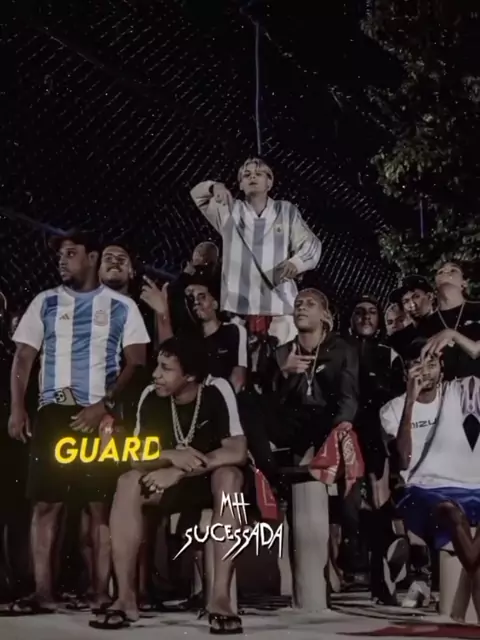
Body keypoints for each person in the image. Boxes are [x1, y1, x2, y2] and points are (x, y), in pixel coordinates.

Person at [5, 231, 150, 615]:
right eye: (61, 255)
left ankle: (100, 592)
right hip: (53, 412)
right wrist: (17, 408)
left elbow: (136, 362)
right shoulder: (45, 301)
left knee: (97, 505)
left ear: (92, 257)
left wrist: (104, 405)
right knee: (46, 503)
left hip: (100, 416)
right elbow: (23, 357)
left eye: (71, 253)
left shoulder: (122, 306)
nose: (62, 260)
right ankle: (43, 592)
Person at [90, 336, 247, 633]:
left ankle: (221, 599)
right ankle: (125, 598)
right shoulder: (151, 395)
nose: (156, 375)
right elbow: (135, 456)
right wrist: (169, 456)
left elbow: (236, 451)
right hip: (167, 484)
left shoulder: (216, 389)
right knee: (127, 481)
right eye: (157, 366)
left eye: (166, 369)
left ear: (190, 376)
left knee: (229, 476)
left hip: (209, 482)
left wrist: (179, 471)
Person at [381, 337, 480, 618]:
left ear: (442, 368)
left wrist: (455, 336)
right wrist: (410, 401)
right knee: (453, 514)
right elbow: (403, 459)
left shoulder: (459, 392)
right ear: (405, 372)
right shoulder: (391, 409)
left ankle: (462, 601)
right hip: (422, 490)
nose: (425, 370)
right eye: (417, 364)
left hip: (472, 487)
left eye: (431, 362)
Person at [190, 158, 322, 345]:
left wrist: (297, 263)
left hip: (280, 309)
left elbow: (312, 243)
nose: (252, 177)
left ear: (269, 182)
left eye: (259, 174)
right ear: (240, 184)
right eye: (247, 175)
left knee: (283, 359)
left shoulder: (286, 211)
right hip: (239, 310)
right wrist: (215, 187)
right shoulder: (229, 210)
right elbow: (198, 195)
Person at [345, 296, 404, 602]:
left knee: (378, 499)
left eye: (371, 312)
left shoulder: (388, 353)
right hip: (344, 431)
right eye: (359, 312)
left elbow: (398, 397)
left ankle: (381, 578)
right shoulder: (339, 349)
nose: (366, 317)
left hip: (376, 432)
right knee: (352, 505)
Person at [388, 276, 434, 359]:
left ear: (430, 296)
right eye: (406, 301)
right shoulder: (396, 341)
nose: (412, 305)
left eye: (416, 297)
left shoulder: (448, 325)